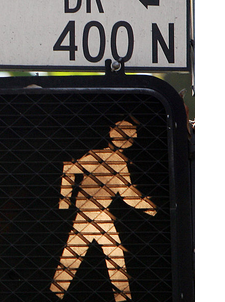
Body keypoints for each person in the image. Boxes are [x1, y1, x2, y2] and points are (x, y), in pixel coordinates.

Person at [50, 120, 156, 302]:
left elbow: (125, 192)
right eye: (130, 134)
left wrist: (66, 202)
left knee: (77, 258)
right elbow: (69, 168)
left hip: (96, 214)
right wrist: (64, 201)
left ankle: (55, 294)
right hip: (92, 214)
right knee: (111, 256)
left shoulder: (112, 159)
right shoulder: (103, 157)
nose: (133, 138)